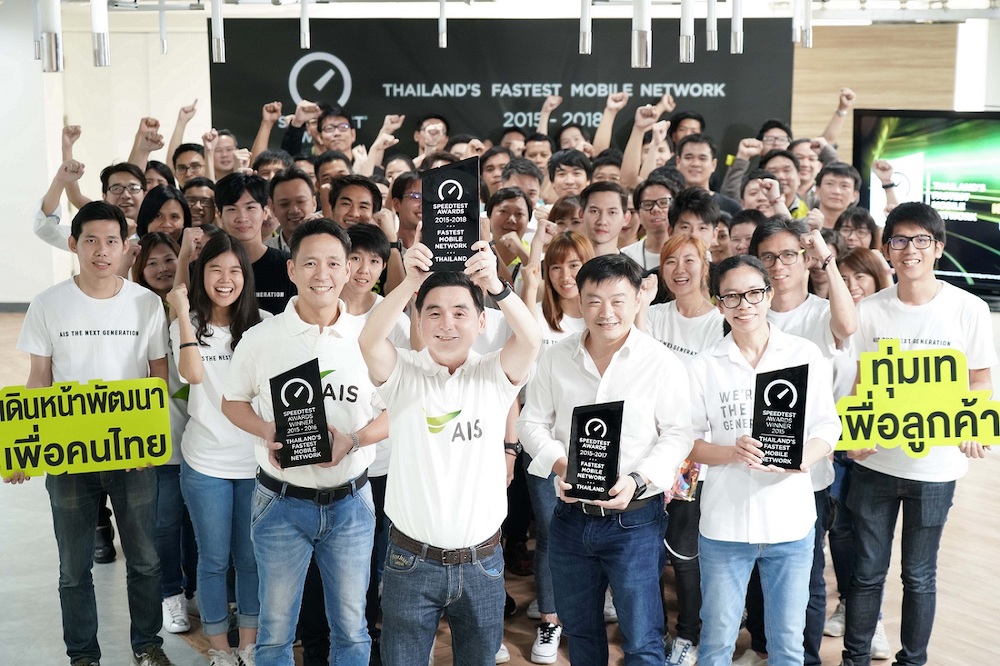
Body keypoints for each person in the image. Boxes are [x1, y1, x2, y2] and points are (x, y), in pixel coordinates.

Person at [359, 237, 541, 666]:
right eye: (434, 313)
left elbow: (531, 340)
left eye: (460, 312)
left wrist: (496, 285)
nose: (447, 324)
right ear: (418, 321)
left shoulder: (494, 375)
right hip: (410, 561)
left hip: (483, 561)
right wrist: (409, 283)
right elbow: (369, 340)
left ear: (482, 322)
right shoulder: (404, 374)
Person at [9, 201, 174, 666]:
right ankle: (83, 655)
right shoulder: (48, 304)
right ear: (73, 244)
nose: (101, 250)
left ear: (125, 247)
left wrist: (149, 439)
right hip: (69, 454)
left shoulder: (145, 304)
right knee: (73, 567)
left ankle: (148, 645)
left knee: (145, 559)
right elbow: (39, 380)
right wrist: (23, 447)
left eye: (111, 241)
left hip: (132, 455)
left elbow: (158, 376)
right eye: (91, 240)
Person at [222, 218, 386, 665]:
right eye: (310, 263)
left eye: (333, 262)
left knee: (352, 629)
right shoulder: (261, 338)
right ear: (291, 270)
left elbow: (398, 410)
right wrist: (265, 430)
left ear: (348, 269)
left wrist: (355, 440)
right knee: (275, 631)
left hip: (351, 503)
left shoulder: (369, 339)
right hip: (280, 502)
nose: (322, 274)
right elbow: (232, 401)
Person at [840, 203, 997, 666]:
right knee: (866, 574)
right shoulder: (869, 310)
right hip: (875, 464)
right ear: (887, 249)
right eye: (900, 240)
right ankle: (854, 659)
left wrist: (971, 424)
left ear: (939, 248)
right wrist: (855, 432)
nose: (910, 249)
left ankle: (913, 661)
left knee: (919, 575)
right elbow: (860, 382)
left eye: (921, 240)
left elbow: (980, 379)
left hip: (936, 468)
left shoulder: (968, 308)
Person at [517, 253, 693, 665]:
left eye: (617, 300)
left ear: (638, 299)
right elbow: (531, 422)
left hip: (635, 519)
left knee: (642, 637)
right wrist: (562, 464)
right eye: (594, 301)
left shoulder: (660, 362)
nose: (606, 312)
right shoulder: (556, 357)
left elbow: (678, 434)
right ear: (579, 301)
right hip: (570, 517)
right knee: (580, 631)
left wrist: (638, 478)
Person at [688, 255, 841, 666]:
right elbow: (688, 443)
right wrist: (730, 452)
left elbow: (828, 426)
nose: (744, 305)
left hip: (790, 521)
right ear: (718, 303)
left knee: (787, 644)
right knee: (717, 641)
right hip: (725, 524)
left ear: (769, 295)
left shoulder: (803, 354)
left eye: (754, 293)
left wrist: (802, 458)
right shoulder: (704, 364)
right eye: (732, 296)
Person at [167, 233, 266, 666]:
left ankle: (249, 644)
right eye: (215, 270)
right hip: (205, 461)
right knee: (212, 559)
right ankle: (220, 649)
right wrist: (182, 311)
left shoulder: (264, 324)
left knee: (250, 558)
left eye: (234, 271)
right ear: (200, 274)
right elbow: (191, 374)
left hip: (254, 462)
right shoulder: (184, 322)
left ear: (246, 276)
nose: (225, 280)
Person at [640, 235, 724, 666]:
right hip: (647, 450)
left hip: (693, 456)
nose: (679, 269)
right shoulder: (654, 316)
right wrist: (641, 303)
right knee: (647, 549)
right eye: (669, 261)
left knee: (683, 550)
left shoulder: (720, 322)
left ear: (705, 265)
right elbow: (636, 363)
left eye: (688, 260)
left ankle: (688, 633)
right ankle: (653, 632)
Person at [517, 230, 595, 662]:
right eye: (557, 267)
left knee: (595, 529)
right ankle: (550, 618)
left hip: (597, 442)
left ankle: (586, 608)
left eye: (574, 265)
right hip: (544, 442)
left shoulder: (600, 317)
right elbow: (521, 365)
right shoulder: (540, 316)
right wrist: (528, 284)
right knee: (550, 530)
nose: (566, 275)